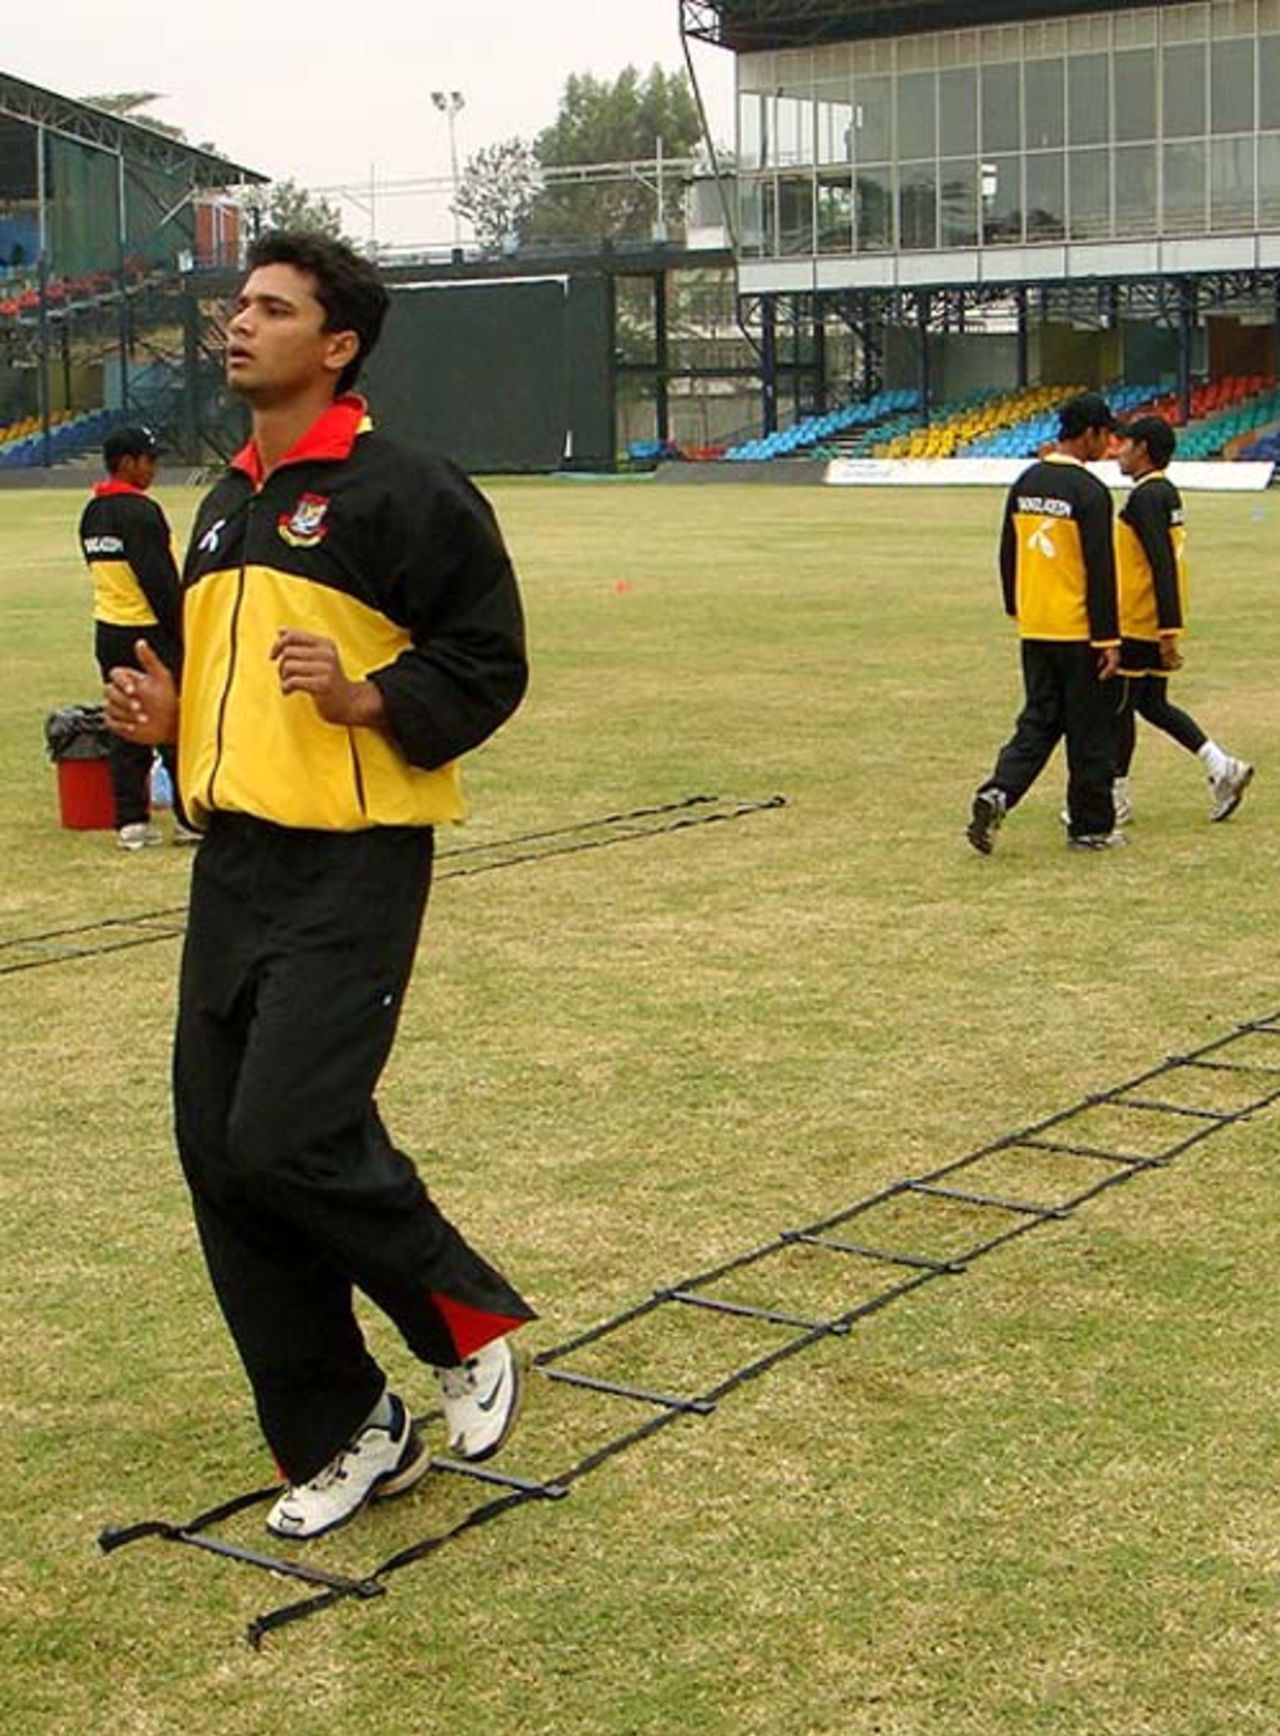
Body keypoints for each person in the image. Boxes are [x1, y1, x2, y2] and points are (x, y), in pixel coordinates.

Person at [104, 231, 535, 1541]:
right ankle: (349, 1432)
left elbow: (486, 659)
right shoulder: (224, 500)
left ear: (336, 344)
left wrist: (368, 698)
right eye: (239, 304)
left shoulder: (403, 488)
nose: (239, 324)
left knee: (290, 1130)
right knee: (222, 1159)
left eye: (272, 308)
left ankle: (464, 1325)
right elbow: (229, 685)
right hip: (234, 864)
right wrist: (172, 716)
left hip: (352, 862)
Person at [967, 392, 1123, 854]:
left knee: (1038, 720)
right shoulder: (1090, 492)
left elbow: (1007, 551)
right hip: (1078, 631)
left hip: (1036, 625)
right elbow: (1100, 569)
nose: (1109, 444)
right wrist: (1109, 639)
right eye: (1105, 434)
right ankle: (1091, 827)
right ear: (1090, 433)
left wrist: (1018, 605)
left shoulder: (1026, 481)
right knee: (1090, 730)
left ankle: (999, 791)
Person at [1112, 414, 1253, 823]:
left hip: (1138, 620)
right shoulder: (1164, 493)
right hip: (1154, 618)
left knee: (1118, 709)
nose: (1118, 451)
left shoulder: (1145, 497)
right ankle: (1222, 766)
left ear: (1142, 449)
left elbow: (1160, 565)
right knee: (1153, 703)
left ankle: (1114, 798)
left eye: (1125, 444)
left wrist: (1167, 632)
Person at [78, 426, 194, 849]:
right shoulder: (141, 512)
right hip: (150, 633)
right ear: (127, 463)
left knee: (126, 719)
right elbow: (159, 581)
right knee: (174, 719)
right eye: (149, 459)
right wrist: (183, 632)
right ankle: (188, 818)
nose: (154, 468)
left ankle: (131, 822)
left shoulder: (92, 513)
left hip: (109, 631)